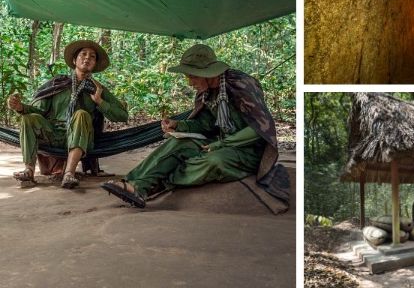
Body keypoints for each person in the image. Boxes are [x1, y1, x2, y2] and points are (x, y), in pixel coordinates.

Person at [101, 44, 288, 210]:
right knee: (177, 144)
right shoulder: (205, 93)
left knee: (215, 161)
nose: (190, 83)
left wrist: (222, 144)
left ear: (208, 73)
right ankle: (135, 186)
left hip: (248, 151)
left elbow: (261, 128)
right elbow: (205, 125)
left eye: (192, 77)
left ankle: (157, 181)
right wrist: (179, 124)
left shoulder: (241, 85)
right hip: (220, 141)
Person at [7, 40, 129, 188]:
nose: (87, 58)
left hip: (82, 137)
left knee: (81, 114)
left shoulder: (98, 89)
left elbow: (123, 116)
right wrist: (20, 107)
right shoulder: (57, 83)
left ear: (94, 64)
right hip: (54, 134)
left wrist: (100, 102)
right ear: (74, 60)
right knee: (28, 119)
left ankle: (69, 174)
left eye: (92, 57)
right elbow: (38, 111)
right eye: (83, 54)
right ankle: (29, 171)